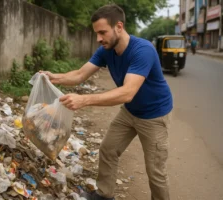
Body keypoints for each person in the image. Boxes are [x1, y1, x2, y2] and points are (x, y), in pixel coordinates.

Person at [42, 4, 172, 200]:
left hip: (154, 115)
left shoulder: (143, 50)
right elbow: (79, 74)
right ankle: (104, 195)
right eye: (97, 33)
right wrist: (53, 78)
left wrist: (84, 100)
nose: (99, 38)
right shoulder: (106, 50)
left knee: (156, 172)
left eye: (102, 32)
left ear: (119, 26)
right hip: (130, 112)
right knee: (108, 150)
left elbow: (127, 92)